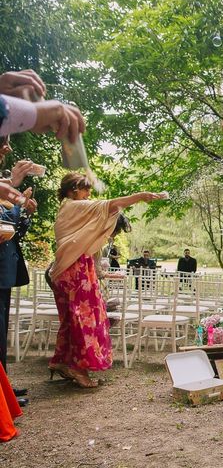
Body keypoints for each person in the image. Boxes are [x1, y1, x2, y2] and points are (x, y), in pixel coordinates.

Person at [48, 172, 164, 388]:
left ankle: (62, 362)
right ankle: (78, 369)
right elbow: (110, 205)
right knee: (84, 320)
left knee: (70, 320)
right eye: (86, 189)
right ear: (74, 189)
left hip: (66, 269)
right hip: (75, 270)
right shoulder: (74, 205)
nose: (89, 194)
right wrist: (140, 196)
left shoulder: (66, 208)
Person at [0, 188, 36, 407]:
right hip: (1, 272)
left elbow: (16, 231)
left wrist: (24, 212)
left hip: (6, 274)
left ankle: (4, 390)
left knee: (1, 337)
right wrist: (17, 203)